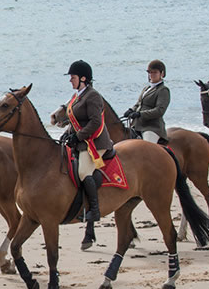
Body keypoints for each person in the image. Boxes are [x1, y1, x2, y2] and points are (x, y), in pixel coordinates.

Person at [63, 60, 114, 223]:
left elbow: (95, 122)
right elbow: (75, 122)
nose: (70, 80)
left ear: (83, 78)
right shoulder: (76, 96)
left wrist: (77, 136)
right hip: (82, 141)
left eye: (73, 77)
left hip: (96, 142)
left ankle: (94, 210)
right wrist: (66, 134)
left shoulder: (93, 96)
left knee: (84, 172)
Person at [124, 59, 169, 144]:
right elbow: (138, 104)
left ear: (162, 73)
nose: (151, 75)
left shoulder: (163, 90)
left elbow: (159, 111)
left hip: (151, 127)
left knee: (147, 146)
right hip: (137, 125)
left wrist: (140, 114)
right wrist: (131, 110)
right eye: (150, 72)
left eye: (155, 72)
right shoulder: (146, 88)